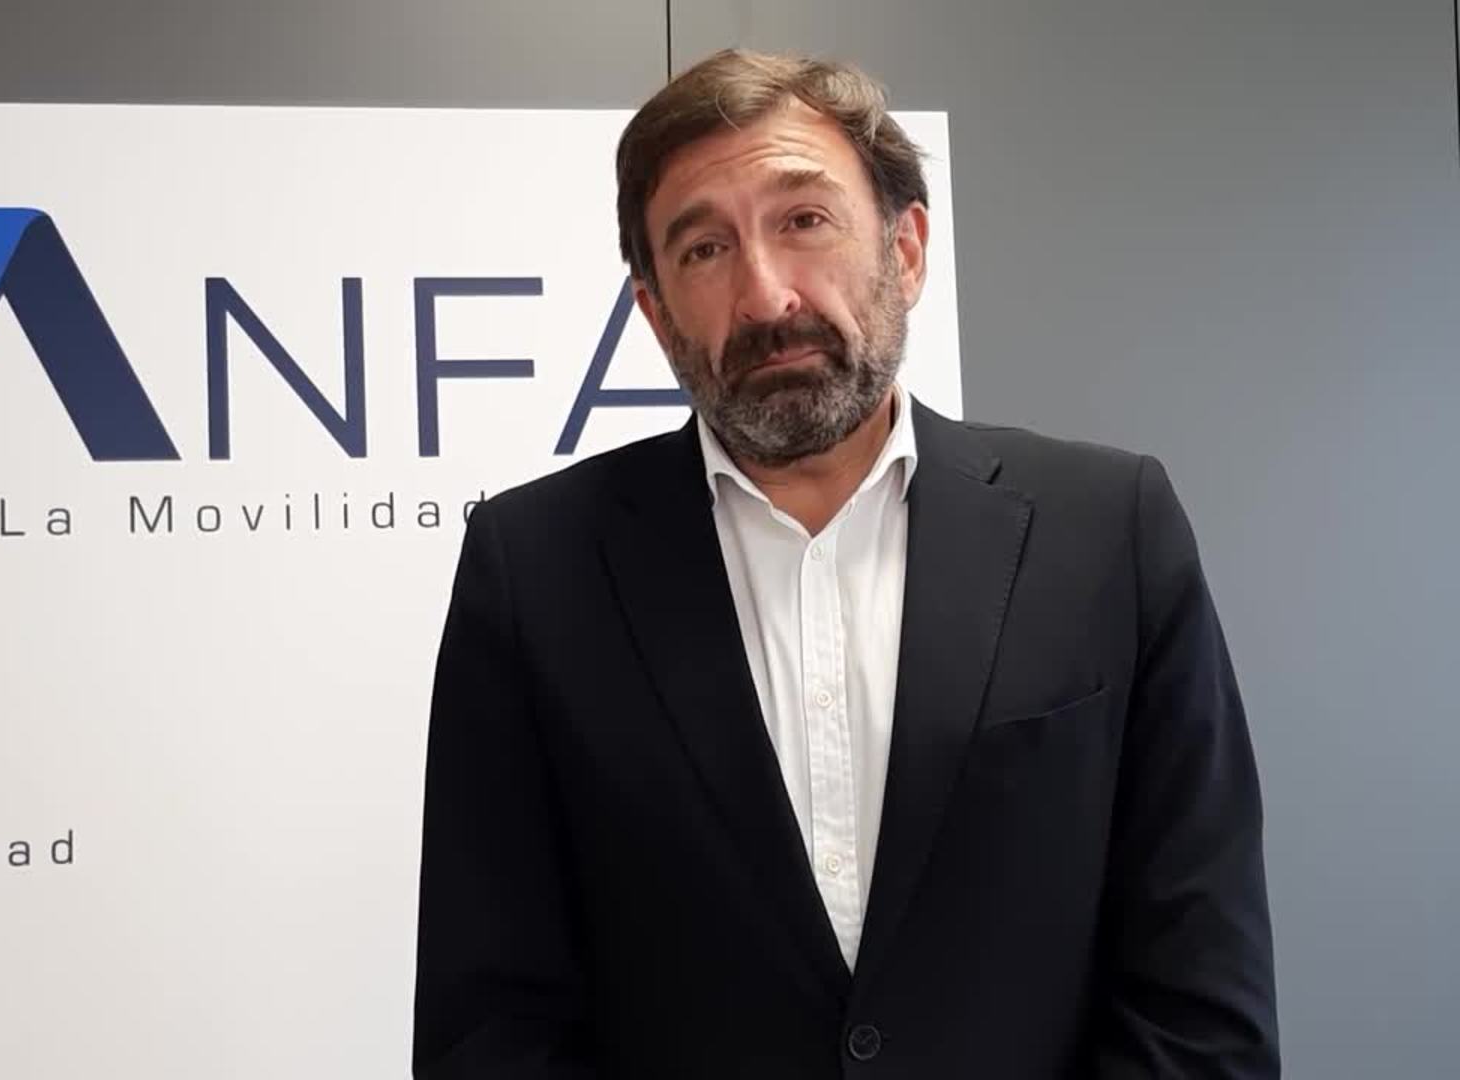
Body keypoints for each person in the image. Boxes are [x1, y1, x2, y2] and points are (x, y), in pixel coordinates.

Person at [412, 48, 1278, 1078]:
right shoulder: (534, 568)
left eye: (805, 220)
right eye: (704, 249)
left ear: (905, 250)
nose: (766, 294)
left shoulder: (1107, 531)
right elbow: (490, 1027)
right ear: (654, 312)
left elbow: (1199, 1002)